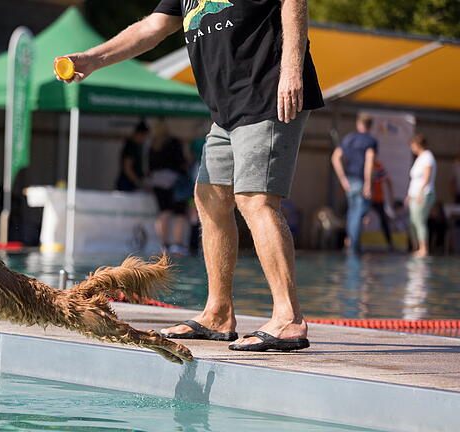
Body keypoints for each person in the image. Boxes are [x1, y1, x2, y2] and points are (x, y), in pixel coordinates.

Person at [57, 0, 324, 350]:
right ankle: (218, 313)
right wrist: (93, 59)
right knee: (209, 197)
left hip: (268, 93)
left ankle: (288, 318)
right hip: (227, 111)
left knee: (255, 200)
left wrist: (292, 68)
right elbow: (151, 28)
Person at [331, 113, 377, 253]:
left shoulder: (349, 139)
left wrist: (343, 179)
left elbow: (335, 157)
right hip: (360, 180)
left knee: (352, 212)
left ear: (358, 124)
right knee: (359, 214)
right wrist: (368, 183)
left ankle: (349, 242)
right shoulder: (370, 141)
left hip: (350, 180)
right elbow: (369, 161)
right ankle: (354, 247)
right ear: (370, 126)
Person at [147, 120, 189, 255]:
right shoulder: (174, 142)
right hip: (173, 180)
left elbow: (149, 165)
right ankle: (177, 244)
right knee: (179, 213)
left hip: (157, 180)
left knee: (163, 212)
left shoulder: (153, 144)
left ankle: (164, 245)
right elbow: (181, 162)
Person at [406, 134, 437, 258]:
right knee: (412, 222)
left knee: (419, 221)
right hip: (414, 194)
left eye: (413, 145)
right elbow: (414, 180)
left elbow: (427, 177)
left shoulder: (427, 157)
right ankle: (416, 246)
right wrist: (409, 195)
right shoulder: (419, 158)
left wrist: (420, 192)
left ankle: (424, 248)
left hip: (424, 193)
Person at [115, 120, 149, 192]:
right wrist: (138, 182)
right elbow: (127, 168)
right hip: (127, 185)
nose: (145, 139)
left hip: (132, 184)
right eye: (145, 136)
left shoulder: (138, 147)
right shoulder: (130, 147)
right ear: (139, 134)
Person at [371, 160, 394, 251]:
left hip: (378, 198)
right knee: (357, 218)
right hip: (365, 198)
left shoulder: (378, 166)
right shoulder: (361, 162)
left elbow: (388, 180)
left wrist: (391, 195)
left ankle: (390, 243)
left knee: (384, 220)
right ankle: (350, 241)